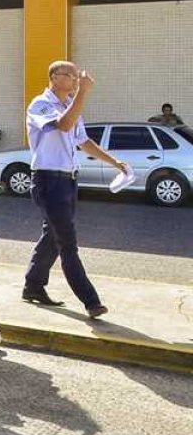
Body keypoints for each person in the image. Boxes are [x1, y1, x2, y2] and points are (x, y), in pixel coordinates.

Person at [24, 63, 127, 317]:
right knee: (67, 242)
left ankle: (33, 285)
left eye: (75, 76)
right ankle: (91, 301)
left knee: (53, 236)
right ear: (53, 78)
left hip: (68, 181)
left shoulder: (71, 105)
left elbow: (84, 141)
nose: (74, 80)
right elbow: (64, 125)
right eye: (68, 76)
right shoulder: (41, 104)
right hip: (48, 181)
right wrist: (83, 92)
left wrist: (114, 162)